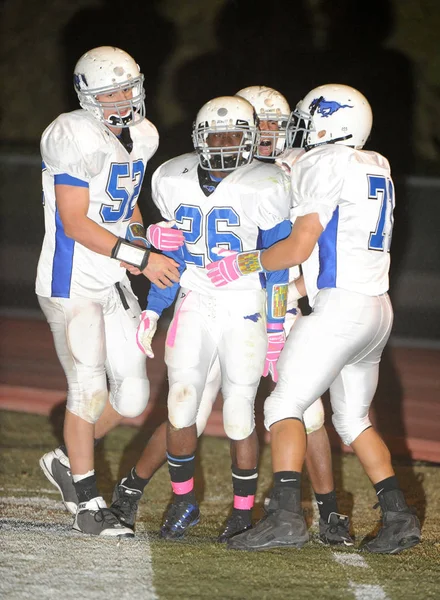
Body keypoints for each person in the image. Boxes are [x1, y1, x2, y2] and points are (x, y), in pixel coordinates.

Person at [206, 84, 421, 554]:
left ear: (329, 123)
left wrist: (244, 263)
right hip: (375, 311)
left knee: (283, 406)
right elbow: (332, 253)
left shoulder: (326, 163)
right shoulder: (375, 164)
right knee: (354, 419)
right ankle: (399, 517)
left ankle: (285, 516)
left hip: (340, 312)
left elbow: (299, 247)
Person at [37, 46, 183, 537]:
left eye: (126, 88)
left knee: (135, 398)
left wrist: (141, 241)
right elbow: (75, 222)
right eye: (108, 93)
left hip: (114, 281)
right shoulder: (70, 133)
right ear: (86, 97)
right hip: (72, 281)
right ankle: (85, 500)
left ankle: (64, 460)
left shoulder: (141, 135)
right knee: (89, 390)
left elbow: (129, 202)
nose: (121, 100)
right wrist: (142, 259)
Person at [133, 95, 292, 541]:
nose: (223, 145)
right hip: (195, 299)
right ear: (199, 139)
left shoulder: (267, 181)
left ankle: (242, 511)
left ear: (249, 139)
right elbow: (173, 259)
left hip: (243, 304)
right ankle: (184, 502)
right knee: (181, 404)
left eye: (233, 136)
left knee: (240, 413)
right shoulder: (172, 177)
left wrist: (276, 328)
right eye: (215, 136)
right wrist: (152, 307)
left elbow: (278, 262)